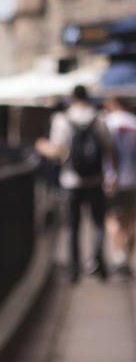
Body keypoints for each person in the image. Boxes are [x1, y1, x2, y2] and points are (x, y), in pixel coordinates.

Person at [35, 85, 116, 283]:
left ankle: (74, 269)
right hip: (96, 179)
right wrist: (113, 175)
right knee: (98, 224)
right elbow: (109, 148)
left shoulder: (62, 120)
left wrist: (42, 147)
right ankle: (98, 262)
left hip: (71, 181)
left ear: (71, 98)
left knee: (74, 227)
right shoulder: (99, 118)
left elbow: (57, 151)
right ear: (88, 98)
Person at [103, 95, 136, 277]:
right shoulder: (134, 123)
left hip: (111, 180)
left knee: (113, 218)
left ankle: (118, 257)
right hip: (133, 179)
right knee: (131, 220)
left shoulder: (107, 123)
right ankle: (127, 259)